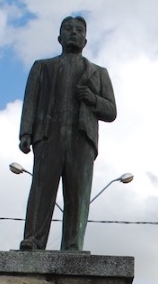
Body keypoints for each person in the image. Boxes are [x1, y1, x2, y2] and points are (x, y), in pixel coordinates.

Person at [17, 15, 117, 252]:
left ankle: (73, 245)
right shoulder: (43, 67)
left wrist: (92, 99)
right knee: (42, 190)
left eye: (79, 30)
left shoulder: (98, 72)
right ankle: (33, 239)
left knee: (78, 196)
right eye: (68, 29)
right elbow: (30, 101)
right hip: (48, 135)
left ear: (85, 40)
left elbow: (111, 110)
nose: (73, 33)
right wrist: (25, 133)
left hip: (82, 138)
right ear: (59, 37)